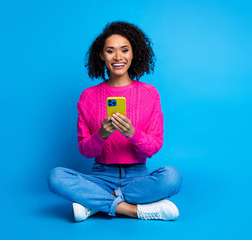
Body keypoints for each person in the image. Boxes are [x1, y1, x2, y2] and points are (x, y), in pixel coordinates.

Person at [48, 21, 182, 221]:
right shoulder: (88, 96)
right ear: (102, 55)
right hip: (100, 177)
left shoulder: (150, 93)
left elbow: (152, 148)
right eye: (110, 51)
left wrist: (132, 133)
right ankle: (131, 210)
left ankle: (94, 204)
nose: (118, 57)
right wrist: (101, 135)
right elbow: (86, 151)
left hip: (138, 177)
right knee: (55, 176)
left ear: (133, 53)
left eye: (124, 50)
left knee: (172, 176)